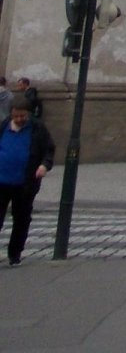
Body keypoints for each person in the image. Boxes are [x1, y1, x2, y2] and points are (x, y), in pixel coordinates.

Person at [0, 93, 54, 266]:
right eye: (16, 116)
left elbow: (49, 150)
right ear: (11, 114)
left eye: (23, 115)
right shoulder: (3, 126)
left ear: (29, 114)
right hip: (1, 181)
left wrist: (44, 165)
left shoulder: (37, 128)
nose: (19, 119)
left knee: (21, 219)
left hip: (25, 184)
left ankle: (14, 254)